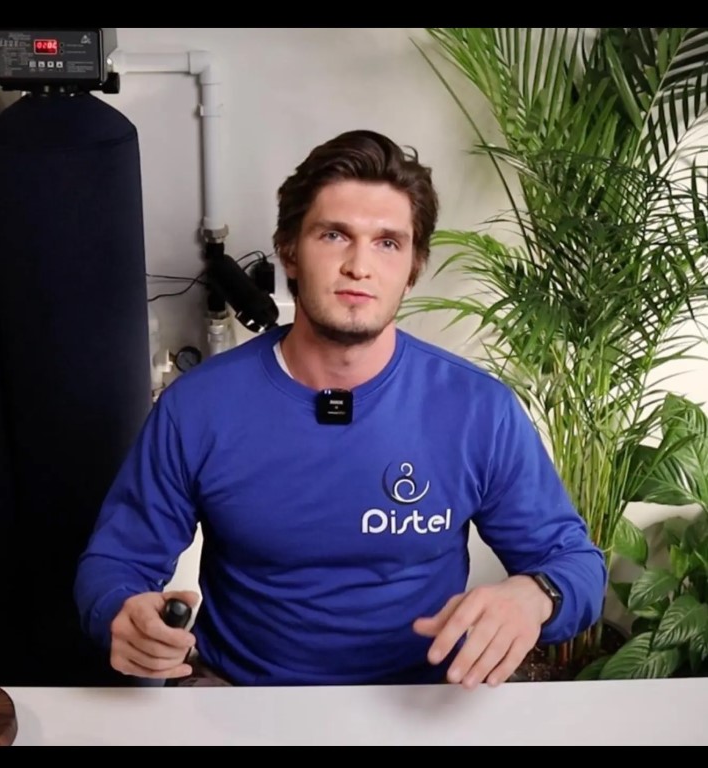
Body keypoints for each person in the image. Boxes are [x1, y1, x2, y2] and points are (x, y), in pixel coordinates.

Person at [73, 129, 607, 689]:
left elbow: (576, 566)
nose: (359, 265)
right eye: (334, 235)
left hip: (423, 697)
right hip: (237, 693)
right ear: (289, 251)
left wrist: (535, 595)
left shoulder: (479, 409)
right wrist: (121, 612)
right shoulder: (198, 407)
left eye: (388, 243)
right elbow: (115, 564)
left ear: (414, 265)